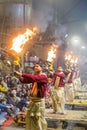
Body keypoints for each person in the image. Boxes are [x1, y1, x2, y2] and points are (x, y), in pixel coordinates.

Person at [14, 63, 48, 130]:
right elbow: (25, 80)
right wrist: (19, 77)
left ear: (42, 68)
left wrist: (22, 74)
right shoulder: (35, 77)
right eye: (35, 66)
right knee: (31, 119)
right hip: (33, 101)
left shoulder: (43, 76)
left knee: (38, 119)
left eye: (37, 66)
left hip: (39, 103)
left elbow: (34, 78)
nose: (35, 67)